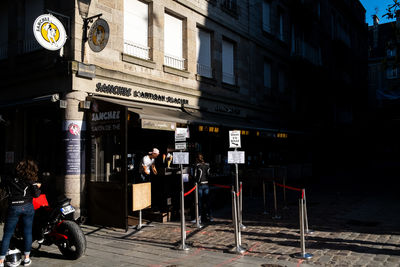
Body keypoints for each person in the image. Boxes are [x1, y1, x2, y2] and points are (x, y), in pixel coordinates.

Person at [0, 159, 41, 267]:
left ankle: (1, 261)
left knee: (7, 234)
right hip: (27, 207)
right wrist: (37, 187)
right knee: (27, 232)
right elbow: (36, 195)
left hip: (14, 207)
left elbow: (4, 187)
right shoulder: (30, 180)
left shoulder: (10, 179)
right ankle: (27, 259)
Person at [193, 153, 213, 222]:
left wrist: (195, 181)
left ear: (197, 159)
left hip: (200, 185)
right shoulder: (207, 165)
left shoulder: (197, 165)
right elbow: (209, 175)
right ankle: (210, 216)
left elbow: (195, 176)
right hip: (206, 184)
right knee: (207, 201)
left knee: (199, 202)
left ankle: (199, 217)